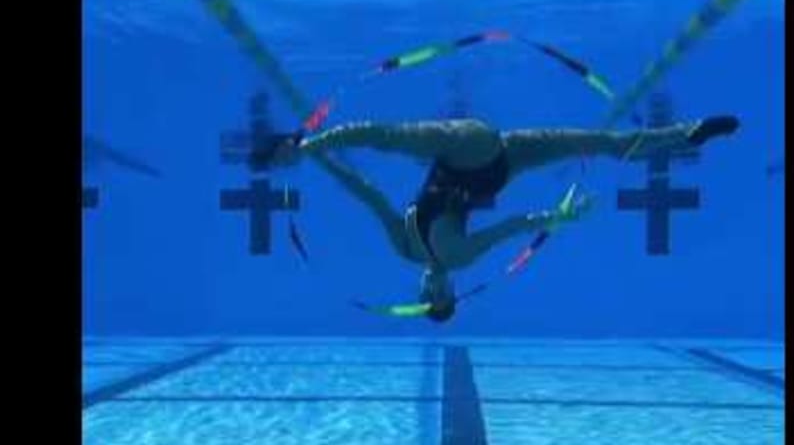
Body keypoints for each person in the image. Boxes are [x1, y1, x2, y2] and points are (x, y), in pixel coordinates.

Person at [263, 114, 739, 322]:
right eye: (440, 295)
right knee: (389, 136)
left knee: (603, 143)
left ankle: (685, 134)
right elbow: (513, 227)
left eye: (426, 295)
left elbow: (367, 194)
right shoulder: (459, 256)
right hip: (482, 158)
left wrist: (325, 165)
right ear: (451, 292)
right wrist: (558, 217)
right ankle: (689, 136)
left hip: (487, 158)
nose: (430, 289)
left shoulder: (406, 249)